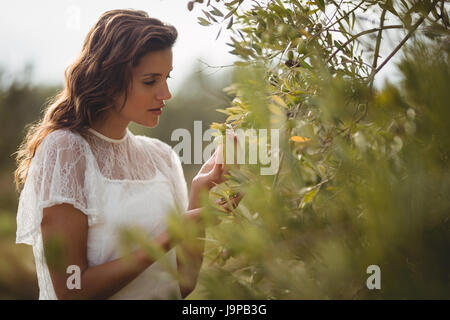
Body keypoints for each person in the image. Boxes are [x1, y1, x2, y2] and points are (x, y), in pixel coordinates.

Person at [13, 9, 241, 300]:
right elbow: (71, 291)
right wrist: (169, 236)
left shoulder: (161, 157)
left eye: (167, 78)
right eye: (150, 81)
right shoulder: (65, 150)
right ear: (109, 80)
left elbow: (182, 283)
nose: (166, 93)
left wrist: (201, 192)